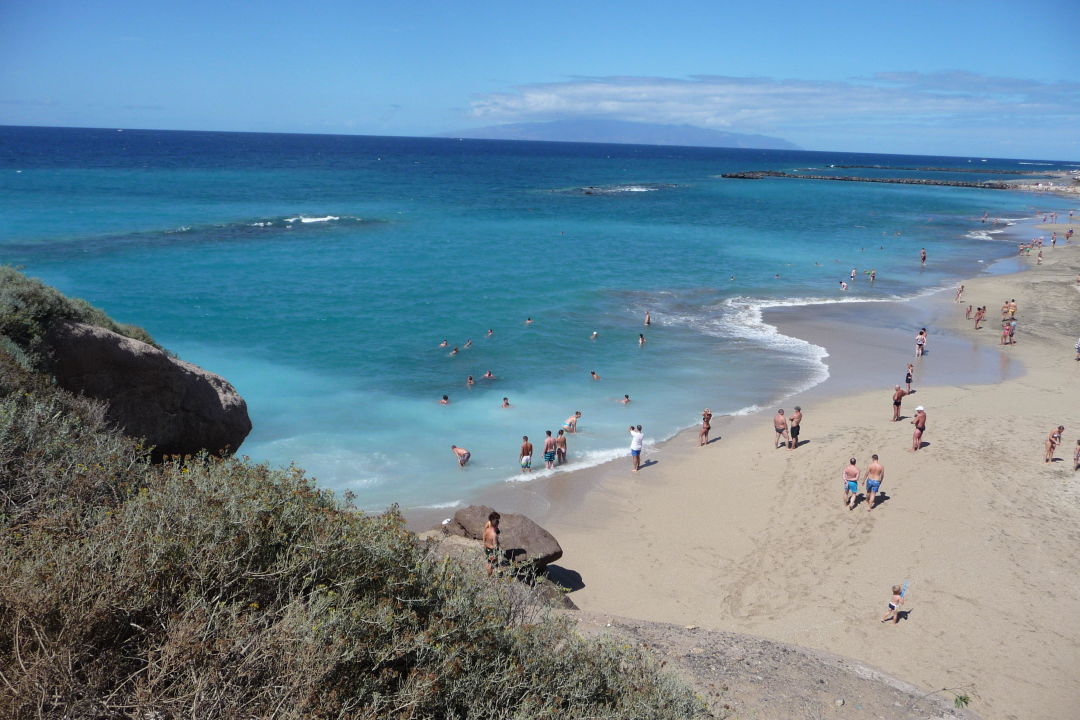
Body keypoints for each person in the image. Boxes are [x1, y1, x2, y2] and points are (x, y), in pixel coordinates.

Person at [483, 511, 501, 576]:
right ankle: (489, 575)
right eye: (497, 521)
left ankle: (489, 574)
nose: (498, 523)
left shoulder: (487, 530)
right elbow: (495, 545)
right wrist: (497, 548)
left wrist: (484, 544)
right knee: (490, 563)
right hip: (492, 549)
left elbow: (484, 536)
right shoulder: (494, 534)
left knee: (489, 562)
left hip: (487, 548)